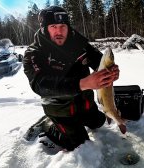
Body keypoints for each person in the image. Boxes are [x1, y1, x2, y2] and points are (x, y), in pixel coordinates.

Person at [23, 6, 120, 151]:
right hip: (60, 109)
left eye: (63, 26)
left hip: (85, 104)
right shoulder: (34, 53)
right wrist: (82, 83)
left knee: (99, 122)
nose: (59, 31)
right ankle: (50, 125)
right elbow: (40, 84)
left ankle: (78, 121)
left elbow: (100, 62)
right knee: (79, 144)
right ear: (44, 28)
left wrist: (111, 71)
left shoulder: (80, 44)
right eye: (53, 26)